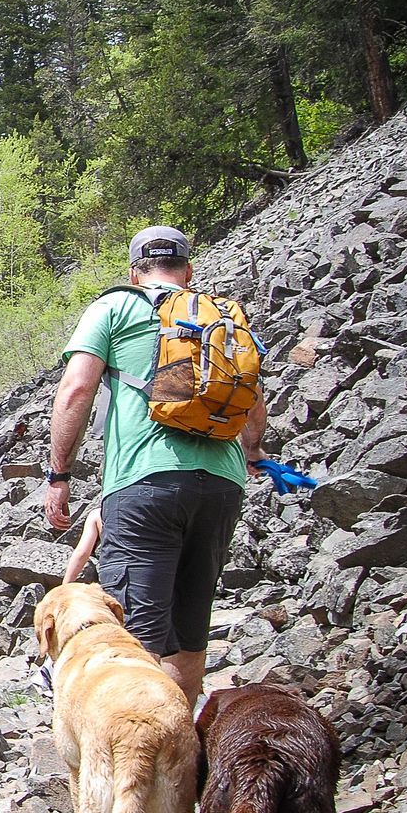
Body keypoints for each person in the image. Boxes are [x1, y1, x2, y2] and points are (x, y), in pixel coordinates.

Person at [43, 226, 268, 709]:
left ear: (134, 271)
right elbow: (252, 402)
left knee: (134, 636)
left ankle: (139, 760)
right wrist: (253, 454)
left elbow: (76, 391)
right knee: (191, 629)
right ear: (188, 271)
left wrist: (59, 474)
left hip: (144, 484)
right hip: (223, 485)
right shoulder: (222, 318)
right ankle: (182, 751)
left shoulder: (114, 307)